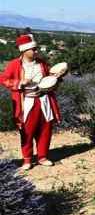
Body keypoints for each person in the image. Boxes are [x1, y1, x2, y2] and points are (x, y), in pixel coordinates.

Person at [0, 32, 63, 170]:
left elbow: (49, 79)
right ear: (24, 50)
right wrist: (19, 82)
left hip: (44, 100)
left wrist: (57, 78)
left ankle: (42, 156)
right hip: (27, 101)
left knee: (45, 129)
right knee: (27, 130)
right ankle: (27, 159)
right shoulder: (14, 65)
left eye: (36, 49)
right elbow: (3, 79)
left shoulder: (42, 64)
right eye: (33, 49)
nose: (36, 51)